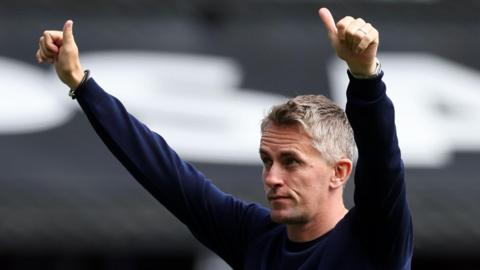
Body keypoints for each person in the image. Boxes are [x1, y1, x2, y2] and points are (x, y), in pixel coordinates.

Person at [36, 7, 413, 269]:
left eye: (291, 161)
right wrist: (81, 84)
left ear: (339, 172)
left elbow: (383, 161)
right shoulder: (255, 237)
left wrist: (364, 77)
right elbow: (164, 172)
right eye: (267, 160)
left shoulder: (375, 239)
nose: (271, 177)